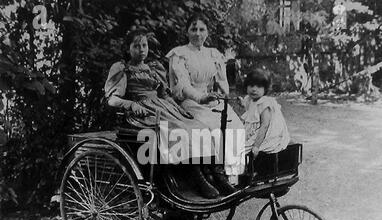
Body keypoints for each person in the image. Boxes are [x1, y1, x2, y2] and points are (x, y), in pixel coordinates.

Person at [104, 29, 221, 199]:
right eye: (136, 46)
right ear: (128, 48)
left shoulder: (153, 68)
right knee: (178, 130)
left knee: (197, 126)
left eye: (144, 45)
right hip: (142, 113)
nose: (142, 49)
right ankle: (194, 176)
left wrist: (179, 108)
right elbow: (112, 99)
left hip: (163, 107)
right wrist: (131, 104)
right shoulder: (123, 69)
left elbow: (164, 94)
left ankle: (206, 172)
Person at [166, 13, 246, 194]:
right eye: (193, 29)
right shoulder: (179, 54)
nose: (197, 33)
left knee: (234, 125)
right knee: (210, 126)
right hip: (189, 100)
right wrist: (201, 98)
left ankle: (223, 173)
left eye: (202, 29)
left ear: (207, 32)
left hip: (211, 98)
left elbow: (223, 81)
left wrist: (226, 95)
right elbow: (184, 85)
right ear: (187, 31)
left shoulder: (213, 54)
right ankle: (201, 175)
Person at [240, 69, 290, 158]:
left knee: (240, 149)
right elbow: (250, 112)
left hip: (262, 135)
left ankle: (238, 167)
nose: (254, 89)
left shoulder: (264, 103)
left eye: (259, 86)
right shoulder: (249, 99)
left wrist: (256, 146)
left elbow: (264, 125)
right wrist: (241, 103)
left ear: (265, 89)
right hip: (251, 131)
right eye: (251, 86)